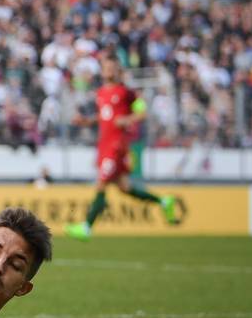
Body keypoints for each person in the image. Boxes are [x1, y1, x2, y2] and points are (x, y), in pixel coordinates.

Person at [65, 56, 177, 241]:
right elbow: (104, 117)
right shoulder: (101, 93)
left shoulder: (125, 92)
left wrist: (128, 119)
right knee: (125, 187)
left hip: (116, 145)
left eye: (112, 67)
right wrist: (86, 121)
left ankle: (87, 226)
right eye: (106, 67)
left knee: (101, 183)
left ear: (118, 71)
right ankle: (164, 202)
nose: (108, 70)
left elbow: (142, 111)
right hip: (104, 144)